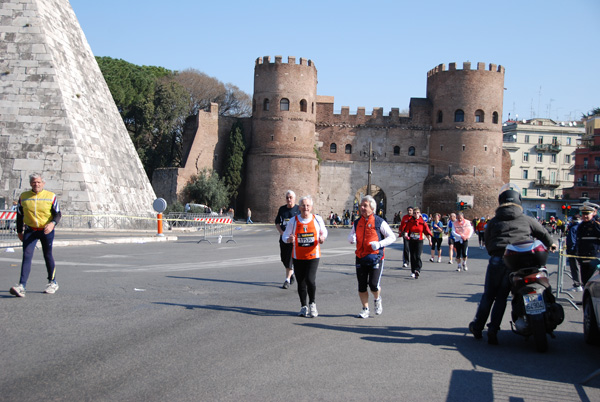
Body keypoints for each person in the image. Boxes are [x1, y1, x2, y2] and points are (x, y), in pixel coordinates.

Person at [469, 187, 555, 345]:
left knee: (488, 296)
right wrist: (552, 244)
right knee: (502, 297)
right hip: (517, 262)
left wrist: (494, 252)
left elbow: (487, 241)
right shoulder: (526, 219)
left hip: (497, 259)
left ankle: (478, 327)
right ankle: (493, 329)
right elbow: (542, 233)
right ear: (518, 202)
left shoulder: (494, 221)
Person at [10, 173, 62, 298]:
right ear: (30, 183)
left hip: (46, 230)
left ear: (43, 183)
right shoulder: (24, 197)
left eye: (39, 182)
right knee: (26, 256)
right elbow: (20, 215)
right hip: (30, 230)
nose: (36, 184)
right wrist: (19, 231)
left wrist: (52, 224)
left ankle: (52, 282)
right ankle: (21, 286)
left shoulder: (51, 196)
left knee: (47, 254)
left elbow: (58, 214)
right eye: (34, 182)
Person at [348, 195, 396, 318]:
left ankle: (377, 299)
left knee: (373, 285)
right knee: (362, 285)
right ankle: (365, 308)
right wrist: (352, 238)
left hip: (376, 257)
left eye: (365, 205)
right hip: (360, 257)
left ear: (372, 208)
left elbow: (392, 237)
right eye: (361, 205)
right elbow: (351, 235)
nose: (362, 208)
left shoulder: (379, 221)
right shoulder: (357, 222)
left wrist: (379, 244)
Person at [282, 195, 327, 317]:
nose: (305, 208)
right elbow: (285, 236)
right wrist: (289, 239)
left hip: (313, 255)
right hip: (298, 256)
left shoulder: (317, 219)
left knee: (310, 280)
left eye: (308, 205)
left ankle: (312, 303)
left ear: (311, 207)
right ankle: (303, 306)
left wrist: (322, 237)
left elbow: (324, 232)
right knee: (301, 282)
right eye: (303, 205)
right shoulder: (294, 221)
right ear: (299, 207)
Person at [275, 190, 299, 289]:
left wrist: (295, 236)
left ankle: (287, 280)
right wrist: (282, 233)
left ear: (294, 198)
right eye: (287, 197)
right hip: (283, 239)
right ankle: (291, 273)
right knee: (283, 259)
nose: (289, 199)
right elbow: (277, 222)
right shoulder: (282, 209)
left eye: (290, 197)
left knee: (289, 260)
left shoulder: (298, 209)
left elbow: (302, 224)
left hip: (293, 240)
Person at [403, 207, 432, 279]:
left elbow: (426, 232)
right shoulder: (410, 222)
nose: (416, 214)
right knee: (412, 256)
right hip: (412, 240)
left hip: (419, 240)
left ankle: (418, 270)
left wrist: (430, 241)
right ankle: (413, 271)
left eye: (417, 213)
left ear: (420, 213)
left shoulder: (422, 222)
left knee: (418, 255)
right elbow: (407, 230)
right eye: (415, 213)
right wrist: (406, 235)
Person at [576, 203, 600, 286]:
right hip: (583, 257)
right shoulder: (581, 226)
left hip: (593, 258)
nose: (585, 216)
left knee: (592, 283)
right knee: (585, 282)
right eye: (583, 214)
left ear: (592, 214)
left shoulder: (596, 225)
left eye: (587, 214)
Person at [565, 214, 583, 292]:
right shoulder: (582, 227)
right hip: (581, 250)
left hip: (574, 251)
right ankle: (581, 284)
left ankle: (577, 284)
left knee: (574, 267)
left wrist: (570, 250)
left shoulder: (573, 228)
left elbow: (572, 241)